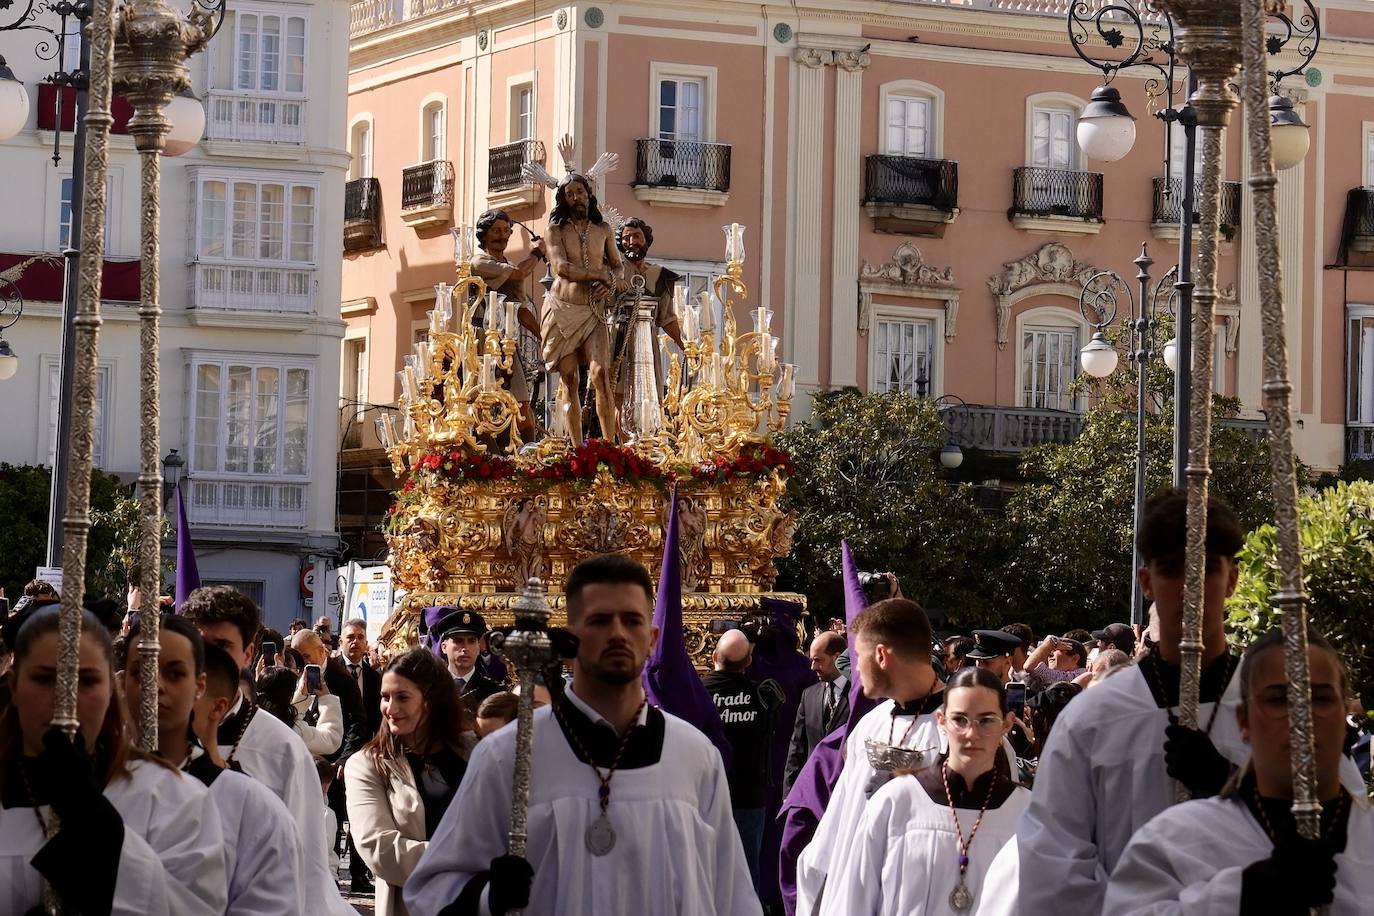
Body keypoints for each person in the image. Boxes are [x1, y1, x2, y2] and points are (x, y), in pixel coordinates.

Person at [403, 553, 760, 916]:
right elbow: (431, 890)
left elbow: (731, 894)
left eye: (632, 620)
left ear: (651, 638)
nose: (618, 633)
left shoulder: (695, 756)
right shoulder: (505, 755)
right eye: (600, 620)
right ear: (571, 637)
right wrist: (488, 896)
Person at [1019, 490, 1286, 916]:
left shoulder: (1278, 711)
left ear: (1232, 580)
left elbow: (1328, 828)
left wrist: (1231, 780)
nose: (1188, 588)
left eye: (1205, 570)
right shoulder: (1092, 720)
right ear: (1147, 582)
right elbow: (1052, 862)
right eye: (1172, 570)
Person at [1104, 628, 1374, 914]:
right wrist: (1246, 894)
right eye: (1277, 700)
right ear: (1244, 720)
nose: (1301, 717)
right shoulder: (1173, 842)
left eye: (1320, 699)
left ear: (1343, 713)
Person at [0, 606, 228, 914]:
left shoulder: (171, 798)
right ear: (14, 685)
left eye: (87, 681)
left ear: (111, 688)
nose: (64, 698)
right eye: (44, 679)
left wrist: (95, 827)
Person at [183, 585, 355, 915]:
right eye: (199, 646)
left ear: (249, 654)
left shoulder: (282, 750)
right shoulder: (151, 731)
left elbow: (306, 869)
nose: (208, 660)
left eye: (222, 647)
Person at [125, 616, 306, 915]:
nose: (154, 686)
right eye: (140, 671)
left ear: (199, 686)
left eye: (174, 673)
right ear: (121, 680)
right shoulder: (90, 786)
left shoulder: (251, 805)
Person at [825, 667, 1031, 916]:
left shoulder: (1029, 815)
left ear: (1007, 724)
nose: (971, 734)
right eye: (960, 719)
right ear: (942, 720)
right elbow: (853, 901)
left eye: (986, 720)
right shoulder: (897, 802)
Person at [795, 598, 949, 916]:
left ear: (881, 655)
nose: (853, 668)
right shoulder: (870, 724)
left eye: (857, 656)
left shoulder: (966, 731)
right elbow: (840, 820)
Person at [346, 648, 476, 916]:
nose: (390, 709)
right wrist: (466, 860)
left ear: (431, 700)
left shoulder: (475, 751)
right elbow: (377, 847)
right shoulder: (367, 764)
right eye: (385, 697)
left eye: (402, 697)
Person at [541, 172, 622, 443]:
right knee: (569, 378)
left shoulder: (604, 230)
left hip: (593, 311)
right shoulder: (555, 231)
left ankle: (610, 447)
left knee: (600, 373)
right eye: (570, 194)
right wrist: (597, 275)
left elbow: (618, 267)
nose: (577, 197)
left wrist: (609, 279)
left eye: (581, 192)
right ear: (563, 200)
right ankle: (576, 448)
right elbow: (561, 268)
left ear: (589, 194)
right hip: (562, 309)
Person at [704, 628, 772, 889]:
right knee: (744, 876)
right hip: (749, 796)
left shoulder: (698, 695)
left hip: (707, 797)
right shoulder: (762, 696)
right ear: (748, 662)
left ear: (713, 657)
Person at [471, 209, 544, 441]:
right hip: (482, 342)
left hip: (508, 344)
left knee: (522, 404)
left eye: (505, 231)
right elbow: (520, 273)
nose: (501, 236)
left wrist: (544, 336)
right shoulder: (480, 262)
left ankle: (527, 456)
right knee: (483, 401)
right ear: (484, 235)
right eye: (495, 231)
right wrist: (539, 252)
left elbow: (521, 312)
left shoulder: (508, 264)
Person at [609, 217, 684, 413]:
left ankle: (646, 439)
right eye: (626, 238)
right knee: (618, 397)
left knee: (650, 397)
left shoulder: (661, 276)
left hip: (647, 343)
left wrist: (685, 345)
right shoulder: (612, 272)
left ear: (646, 240)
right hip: (618, 340)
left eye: (637, 236)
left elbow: (667, 318)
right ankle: (621, 443)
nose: (631, 241)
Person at [338, 617, 384, 889]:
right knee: (333, 815)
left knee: (361, 815)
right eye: (350, 637)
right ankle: (332, 871)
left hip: (366, 755)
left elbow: (378, 717)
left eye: (359, 637)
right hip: (335, 755)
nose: (355, 642)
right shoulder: (330, 673)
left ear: (366, 643)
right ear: (341, 641)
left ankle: (358, 873)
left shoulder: (375, 677)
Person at [784, 631, 849, 795]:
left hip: (847, 790)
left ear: (837, 657)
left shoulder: (859, 696)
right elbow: (797, 746)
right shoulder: (809, 695)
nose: (813, 667)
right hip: (814, 792)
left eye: (818, 660)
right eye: (811, 660)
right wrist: (790, 792)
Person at [255, 664, 344, 757]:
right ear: (289, 697)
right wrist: (326, 697)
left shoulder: (249, 718)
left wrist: (301, 696)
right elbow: (330, 740)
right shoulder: (296, 730)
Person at [435, 608, 503, 714]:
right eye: (458, 641)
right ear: (444, 647)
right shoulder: (431, 689)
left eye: (471, 641)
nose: (465, 648)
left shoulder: (494, 692)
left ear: (478, 648)